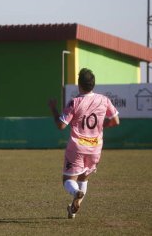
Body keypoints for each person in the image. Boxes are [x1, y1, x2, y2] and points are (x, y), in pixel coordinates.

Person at [48, 68, 120, 219]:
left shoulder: (75, 102)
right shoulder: (104, 100)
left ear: (79, 84)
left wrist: (54, 109)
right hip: (95, 148)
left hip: (77, 147)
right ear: (93, 84)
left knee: (68, 180)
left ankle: (75, 193)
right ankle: (73, 209)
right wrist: (101, 125)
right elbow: (115, 121)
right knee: (83, 179)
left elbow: (61, 125)